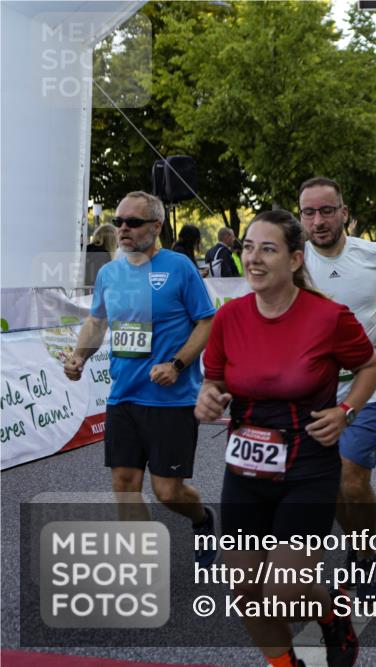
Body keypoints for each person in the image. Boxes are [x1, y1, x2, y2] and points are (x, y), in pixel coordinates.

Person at [195, 209, 376, 667]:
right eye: (248, 248)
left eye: (268, 249)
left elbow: (369, 367)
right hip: (244, 470)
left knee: (284, 591)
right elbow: (214, 379)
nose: (253, 259)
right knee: (243, 590)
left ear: (296, 259)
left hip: (307, 467)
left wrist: (345, 411)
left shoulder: (328, 316)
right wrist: (209, 396)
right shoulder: (230, 317)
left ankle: (333, 613)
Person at [63, 191, 217, 566]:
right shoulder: (110, 272)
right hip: (123, 398)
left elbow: (207, 322)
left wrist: (177, 365)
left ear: (157, 226)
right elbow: (97, 321)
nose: (123, 230)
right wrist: (80, 357)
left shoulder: (179, 267)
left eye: (132, 222)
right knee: (125, 486)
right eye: (118, 222)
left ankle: (202, 519)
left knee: (168, 492)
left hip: (172, 400)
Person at [299, 176, 376, 601]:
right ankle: (351, 542)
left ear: (344, 213)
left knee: (351, 477)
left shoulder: (373, 255)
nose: (318, 220)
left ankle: (363, 556)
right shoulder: (292, 260)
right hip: (309, 393)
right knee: (325, 483)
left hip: (366, 386)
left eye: (327, 210)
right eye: (309, 212)